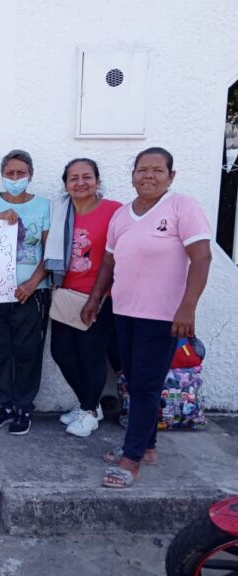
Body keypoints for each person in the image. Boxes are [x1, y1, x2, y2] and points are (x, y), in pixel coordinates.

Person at [81, 147, 212, 488]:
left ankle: (132, 459)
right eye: (142, 169)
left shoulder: (183, 206)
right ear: (132, 175)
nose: (148, 175)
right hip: (124, 312)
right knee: (135, 381)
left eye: (157, 170)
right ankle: (148, 446)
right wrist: (96, 298)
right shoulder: (123, 215)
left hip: (162, 317)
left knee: (144, 385)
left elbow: (201, 258)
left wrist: (188, 307)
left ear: (171, 176)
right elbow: (109, 262)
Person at [0, 150, 51, 436]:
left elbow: (49, 252)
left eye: (21, 173)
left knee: (28, 352)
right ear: (2, 174)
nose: (15, 178)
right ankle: (3, 405)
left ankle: (23, 408)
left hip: (31, 294)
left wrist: (32, 283)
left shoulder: (44, 207)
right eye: (10, 173)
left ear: (31, 175)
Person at [44, 158, 122, 437]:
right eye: (73, 178)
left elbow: (119, 258)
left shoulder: (114, 212)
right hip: (66, 294)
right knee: (62, 353)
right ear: (66, 184)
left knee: (91, 355)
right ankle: (89, 405)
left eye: (86, 177)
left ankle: (89, 412)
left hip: (99, 297)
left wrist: (98, 296)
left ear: (97, 181)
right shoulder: (61, 212)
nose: (80, 182)